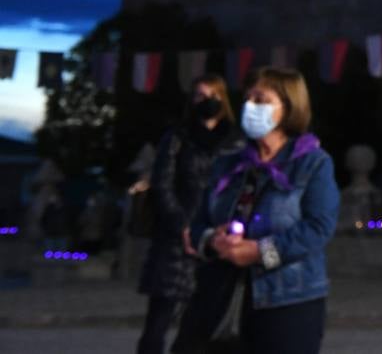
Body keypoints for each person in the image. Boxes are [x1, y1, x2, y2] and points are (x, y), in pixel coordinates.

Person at [177, 67, 338, 354]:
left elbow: (318, 229)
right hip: (219, 295)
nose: (251, 107)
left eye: (261, 100)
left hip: (287, 300)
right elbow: (199, 221)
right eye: (248, 99)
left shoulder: (313, 163)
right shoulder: (228, 163)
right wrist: (215, 239)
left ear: (288, 108)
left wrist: (261, 252)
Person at [136, 74, 243, 354]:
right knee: (158, 322)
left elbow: (242, 186)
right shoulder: (177, 137)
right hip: (176, 237)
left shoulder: (235, 140)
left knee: (202, 324)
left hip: (217, 237)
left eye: (213, 95)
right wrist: (182, 224)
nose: (206, 101)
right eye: (199, 95)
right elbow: (162, 183)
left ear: (223, 99)